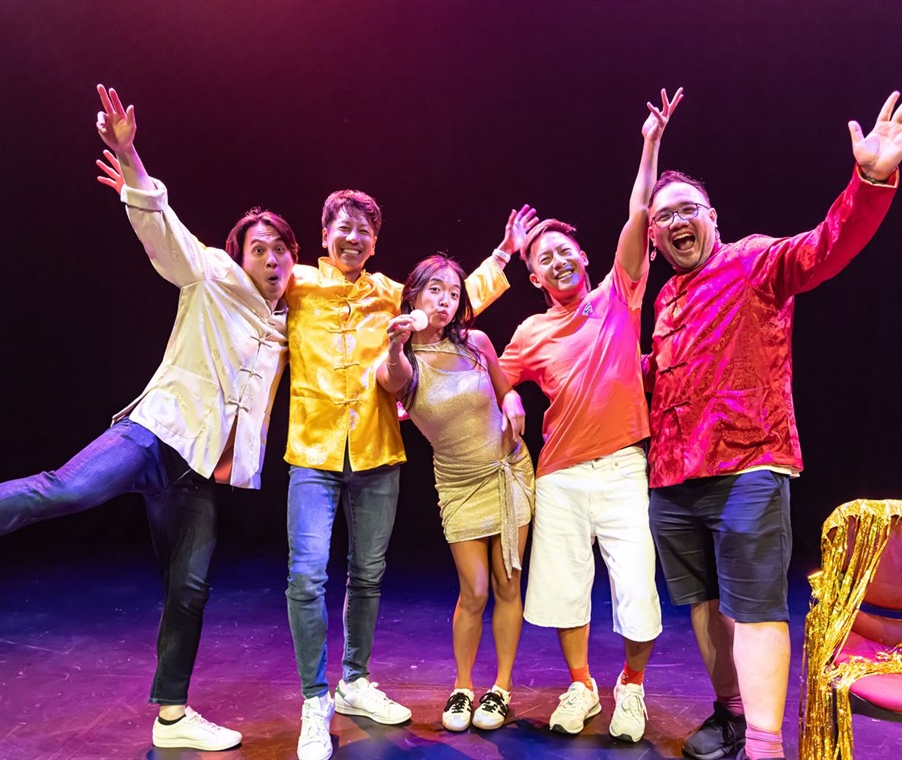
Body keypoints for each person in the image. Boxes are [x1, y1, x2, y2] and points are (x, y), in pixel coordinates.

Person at [0, 84, 297, 752]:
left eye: (283, 250)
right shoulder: (212, 275)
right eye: (261, 247)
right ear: (238, 252)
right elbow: (165, 232)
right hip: (156, 434)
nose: (273, 258)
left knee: (189, 587)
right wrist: (131, 158)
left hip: (198, 472)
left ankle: (174, 716)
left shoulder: (286, 326)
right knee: (63, 490)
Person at [643, 90, 902, 760]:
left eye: (688, 209)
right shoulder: (664, 296)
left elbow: (828, 245)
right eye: (665, 217)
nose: (677, 220)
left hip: (747, 464)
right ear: (653, 237)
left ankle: (766, 746)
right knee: (707, 609)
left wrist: (871, 179)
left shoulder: (755, 260)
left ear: (712, 219)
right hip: (673, 476)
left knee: (756, 608)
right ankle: (731, 714)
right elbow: (669, 369)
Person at [284, 188, 526, 760]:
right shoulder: (295, 283)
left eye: (365, 231)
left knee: (367, 575)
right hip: (314, 452)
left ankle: (355, 681)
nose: (353, 238)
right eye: (343, 228)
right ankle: (315, 700)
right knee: (307, 577)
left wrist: (503, 255)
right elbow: (242, 280)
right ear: (324, 235)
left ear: (375, 241)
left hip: (375, 453)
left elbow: (453, 300)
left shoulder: (392, 293)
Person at [498, 88, 682, 742]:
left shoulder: (618, 297)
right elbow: (489, 376)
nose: (556, 259)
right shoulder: (528, 331)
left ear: (580, 257)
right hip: (562, 475)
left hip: (623, 467)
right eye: (542, 257)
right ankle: (581, 686)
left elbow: (639, 211)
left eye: (563, 250)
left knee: (636, 586)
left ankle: (630, 688)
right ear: (535, 276)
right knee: (565, 589)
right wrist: (511, 394)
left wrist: (649, 143)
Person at [375, 252, 535, 733]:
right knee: (475, 591)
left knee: (508, 586)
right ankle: (463, 687)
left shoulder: (476, 342)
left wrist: (512, 398)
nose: (445, 302)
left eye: (453, 293)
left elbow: (506, 388)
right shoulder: (403, 364)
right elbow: (391, 379)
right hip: (460, 485)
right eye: (435, 291)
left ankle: (500, 690)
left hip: (510, 471)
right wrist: (394, 346)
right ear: (414, 295)